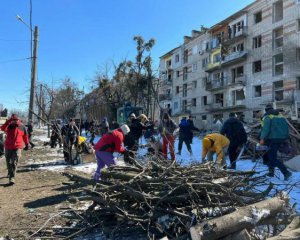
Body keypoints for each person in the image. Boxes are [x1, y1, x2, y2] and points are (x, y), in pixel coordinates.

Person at [260, 104, 292, 180]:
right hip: (281, 139)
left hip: (272, 139)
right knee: (270, 155)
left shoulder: (267, 117)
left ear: (266, 110)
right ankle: (271, 173)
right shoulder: (281, 116)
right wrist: (286, 137)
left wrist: (262, 138)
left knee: (272, 157)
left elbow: (265, 129)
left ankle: (286, 172)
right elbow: (287, 128)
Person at [1, 114, 29, 185]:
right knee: (8, 162)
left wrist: (27, 144)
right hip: (8, 147)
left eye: (15, 120)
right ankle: (10, 172)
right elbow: (2, 128)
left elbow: (25, 136)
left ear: (18, 120)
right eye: (13, 120)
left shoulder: (22, 126)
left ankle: (12, 178)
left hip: (17, 147)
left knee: (14, 162)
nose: (14, 122)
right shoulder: (8, 125)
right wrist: (8, 122)